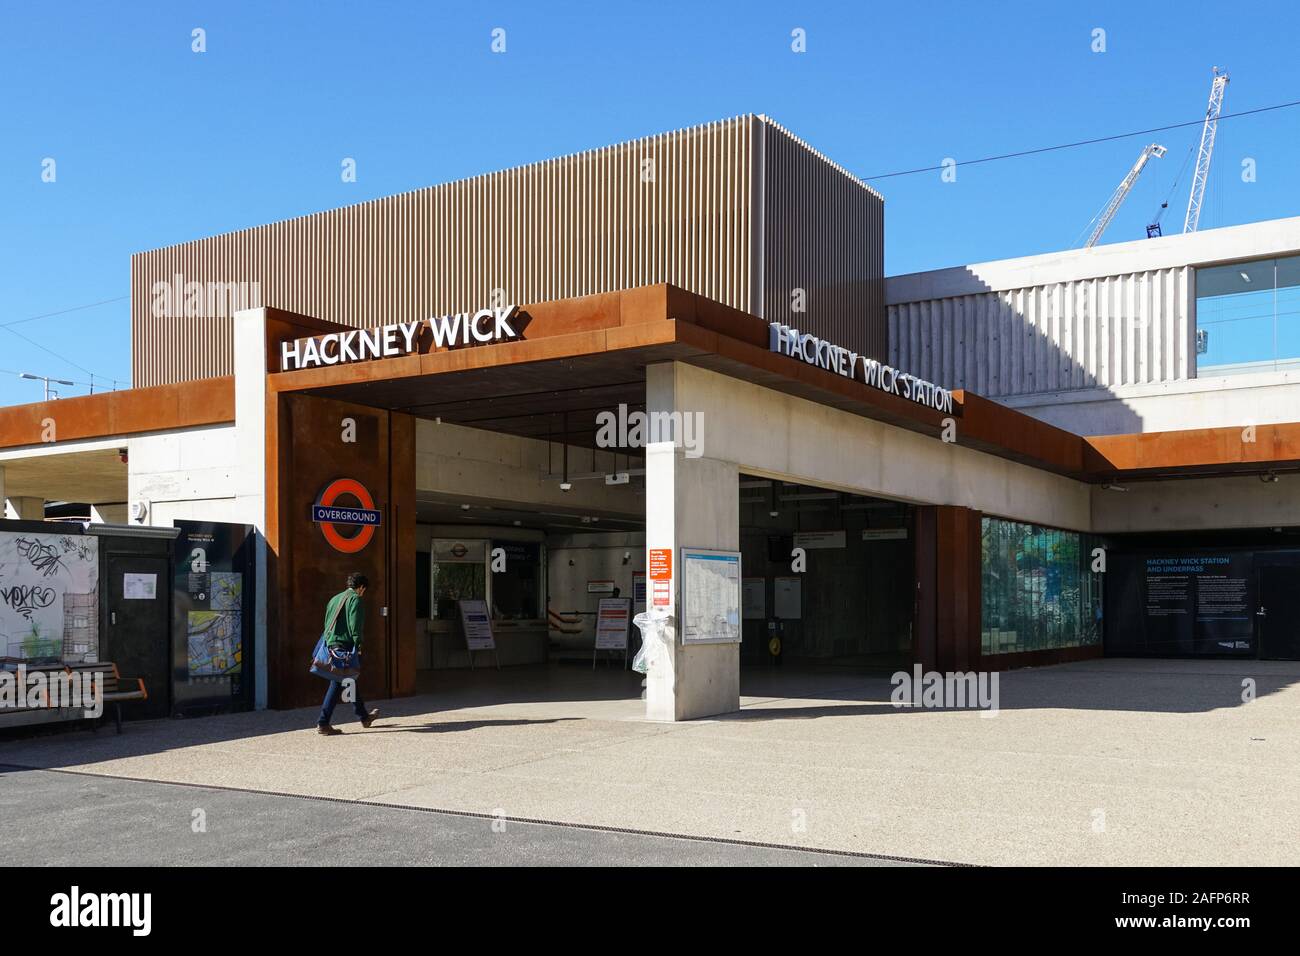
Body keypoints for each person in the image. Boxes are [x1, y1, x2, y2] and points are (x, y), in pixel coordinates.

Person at [317, 572, 380, 735]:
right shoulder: (356, 599)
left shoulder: (334, 599)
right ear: (361, 588)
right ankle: (323, 723)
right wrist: (358, 645)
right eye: (364, 590)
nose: (363, 593)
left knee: (348, 680)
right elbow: (355, 625)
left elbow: (326, 623)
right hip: (345, 646)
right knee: (339, 682)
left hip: (332, 645)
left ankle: (364, 717)